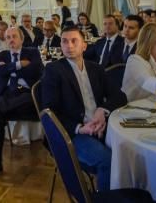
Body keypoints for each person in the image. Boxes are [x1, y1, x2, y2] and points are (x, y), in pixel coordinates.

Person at [38, 27, 127, 191]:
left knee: (129, 153)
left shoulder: (96, 69)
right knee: (107, 161)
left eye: (74, 41)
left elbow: (120, 96)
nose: (69, 46)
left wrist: (103, 111)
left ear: (84, 46)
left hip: (101, 126)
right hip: (72, 133)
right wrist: (80, 128)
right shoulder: (54, 70)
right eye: (64, 41)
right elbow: (49, 111)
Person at [0, 27, 44, 178]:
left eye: (14, 36)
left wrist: (10, 69)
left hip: (28, 96)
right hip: (8, 95)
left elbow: (37, 71)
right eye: (8, 37)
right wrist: (19, 65)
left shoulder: (33, 52)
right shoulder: (1, 54)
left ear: (21, 39)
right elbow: (0, 71)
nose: (11, 40)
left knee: (19, 100)